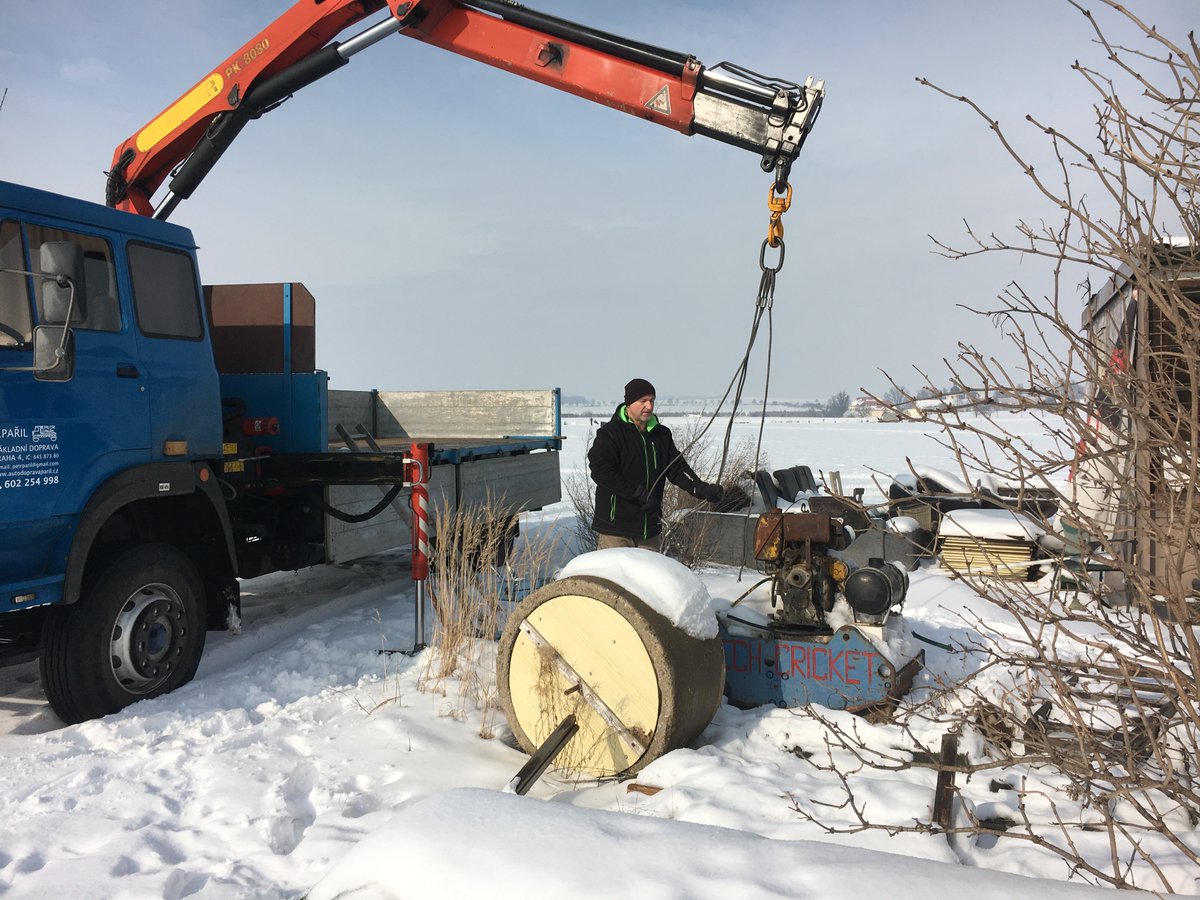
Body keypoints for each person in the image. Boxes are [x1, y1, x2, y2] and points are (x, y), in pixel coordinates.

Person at [588, 378, 724, 551]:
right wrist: (636, 492)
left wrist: (700, 488)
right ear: (629, 403)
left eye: (652, 400)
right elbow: (600, 471)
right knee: (614, 578)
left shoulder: (661, 435)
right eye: (643, 401)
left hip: (649, 531)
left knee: (648, 579)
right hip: (616, 531)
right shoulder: (611, 434)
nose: (649, 406)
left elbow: (676, 468)